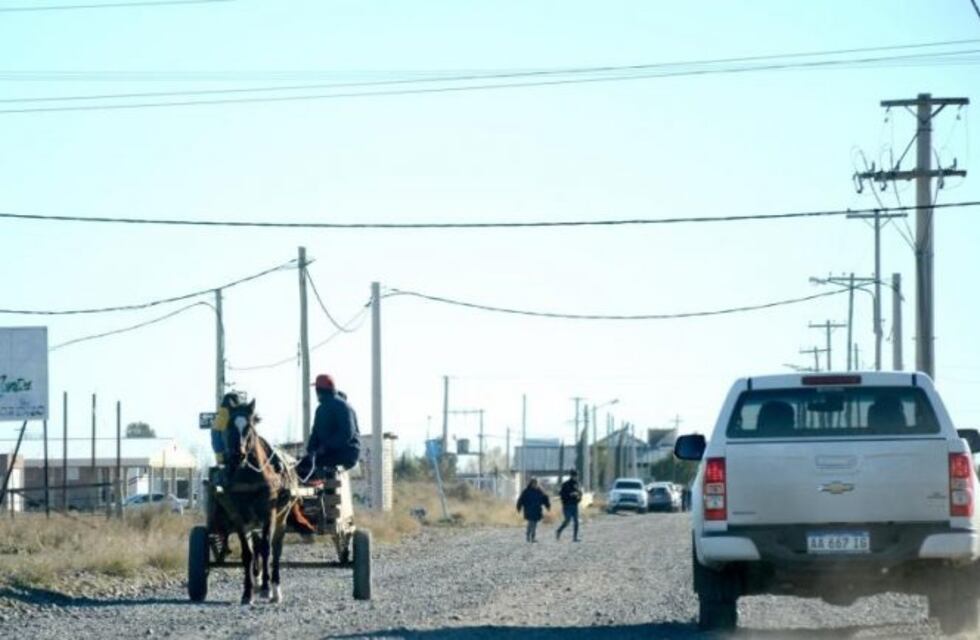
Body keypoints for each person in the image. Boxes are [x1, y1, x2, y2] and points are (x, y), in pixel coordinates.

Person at [298, 374, 360, 480]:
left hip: (345, 454)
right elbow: (315, 434)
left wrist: (325, 447)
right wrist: (311, 451)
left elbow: (346, 434)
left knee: (308, 469)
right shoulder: (321, 409)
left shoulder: (342, 407)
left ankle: (324, 491)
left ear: (318, 391)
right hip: (330, 453)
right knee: (301, 465)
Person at [516, 478, 550, 543]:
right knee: (531, 523)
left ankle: (532, 537)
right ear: (531, 484)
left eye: (535, 483)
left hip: (537, 510)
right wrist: (519, 507)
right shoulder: (526, 491)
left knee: (534, 524)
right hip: (529, 510)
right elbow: (521, 499)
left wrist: (547, 506)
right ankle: (529, 535)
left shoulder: (539, 491)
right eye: (533, 483)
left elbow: (544, 498)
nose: (534, 485)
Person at [556, 469, 583, 542]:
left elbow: (580, 493)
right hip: (567, 505)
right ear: (571, 476)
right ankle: (559, 531)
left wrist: (579, 497)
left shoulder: (577, 484)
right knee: (567, 520)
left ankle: (575, 537)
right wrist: (570, 494)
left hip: (575, 505)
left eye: (577, 476)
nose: (576, 477)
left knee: (576, 521)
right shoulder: (566, 484)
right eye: (575, 475)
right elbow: (561, 495)